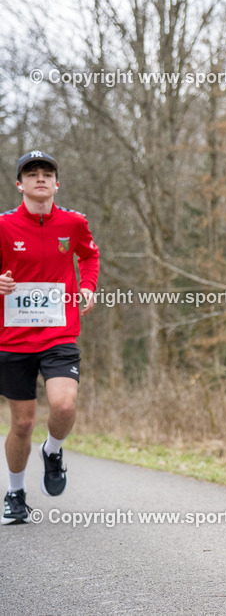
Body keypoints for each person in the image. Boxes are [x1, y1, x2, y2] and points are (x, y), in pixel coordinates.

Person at [1, 150, 99, 525]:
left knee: (63, 405)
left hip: (59, 332)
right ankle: (14, 493)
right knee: (22, 423)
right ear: (19, 184)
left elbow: (89, 257)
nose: (39, 178)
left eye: (46, 173)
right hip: (13, 337)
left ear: (56, 183)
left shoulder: (74, 223)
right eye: (31, 173)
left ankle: (53, 450)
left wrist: (87, 288)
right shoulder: (4, 225)